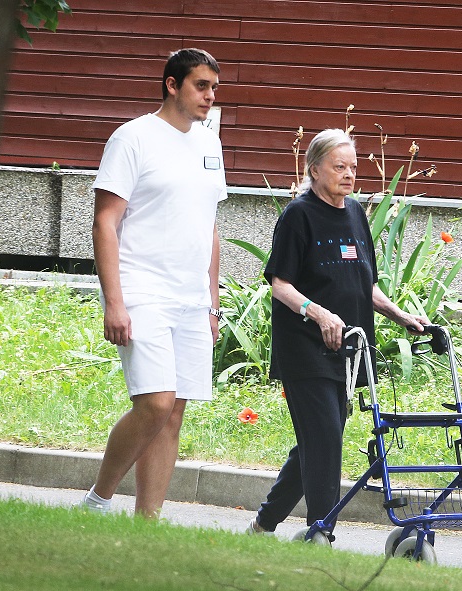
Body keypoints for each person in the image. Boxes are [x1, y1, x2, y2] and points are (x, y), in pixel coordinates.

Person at [247, 129, 429, 538]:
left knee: (318, 442)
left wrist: (400, 315)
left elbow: (364, 283)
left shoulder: (355, 214)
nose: (349, 175)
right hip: (306, 347)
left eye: (353, 167)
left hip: (348, 351)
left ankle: (263, 524)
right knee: (325, 437)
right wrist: (318, 313)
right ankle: (320, 533)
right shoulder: (299, 214)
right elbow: (280, 283)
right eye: (339, 167)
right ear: (314, 169)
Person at [80, 48, 227, 518]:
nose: (209, 96)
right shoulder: (132, 138)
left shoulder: (209, 143)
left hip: (191, 298)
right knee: (156, 403)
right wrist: (114, 303)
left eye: (213, 88)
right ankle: (99, 499)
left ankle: (147, 525)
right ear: (172, 84)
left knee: (174, 413)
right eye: (200, 85)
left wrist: (212, 303)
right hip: (141, 289)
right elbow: (105, 222)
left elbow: (210, 228)